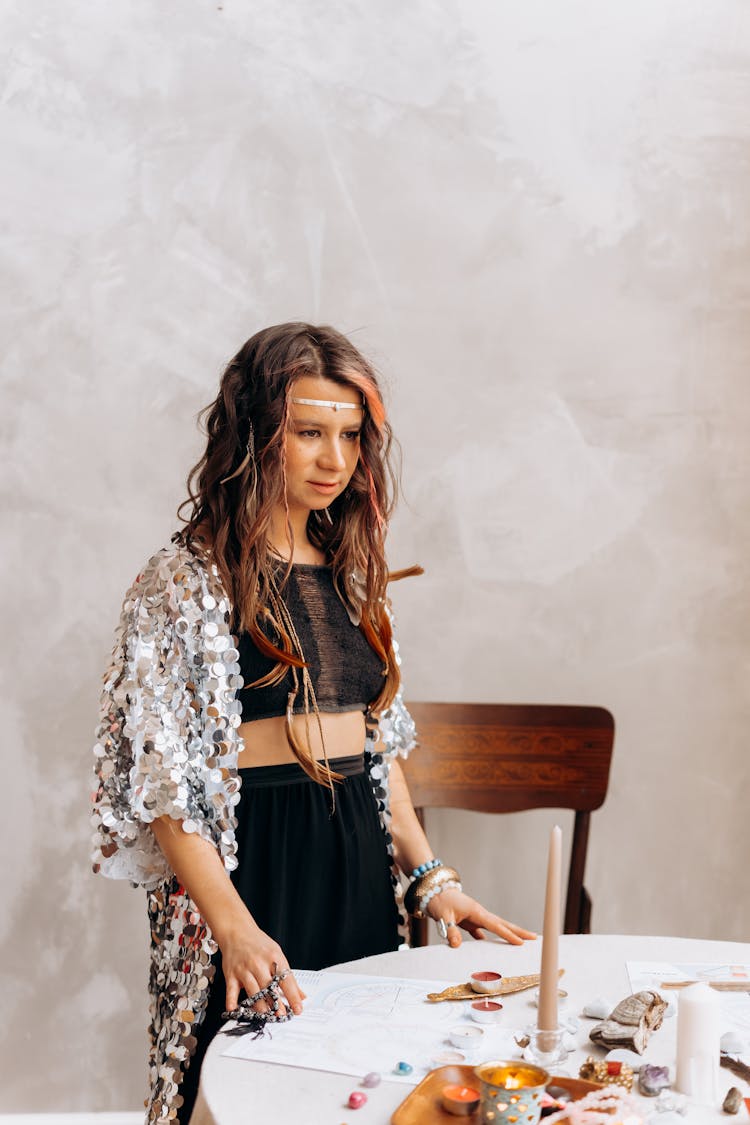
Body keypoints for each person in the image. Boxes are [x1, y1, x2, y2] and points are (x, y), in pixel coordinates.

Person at [91, 323, 535, 1124]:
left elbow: (376, 747)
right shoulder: (182, 582)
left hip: (354, 863)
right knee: (243, 1089)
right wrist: (233, 926)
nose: (336, 458)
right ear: (257, 432)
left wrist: (433, 877)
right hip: (252, 870)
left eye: (351, 435)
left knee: (354, 1086)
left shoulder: (354, 577)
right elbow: (166, 786)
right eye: (309, 432)